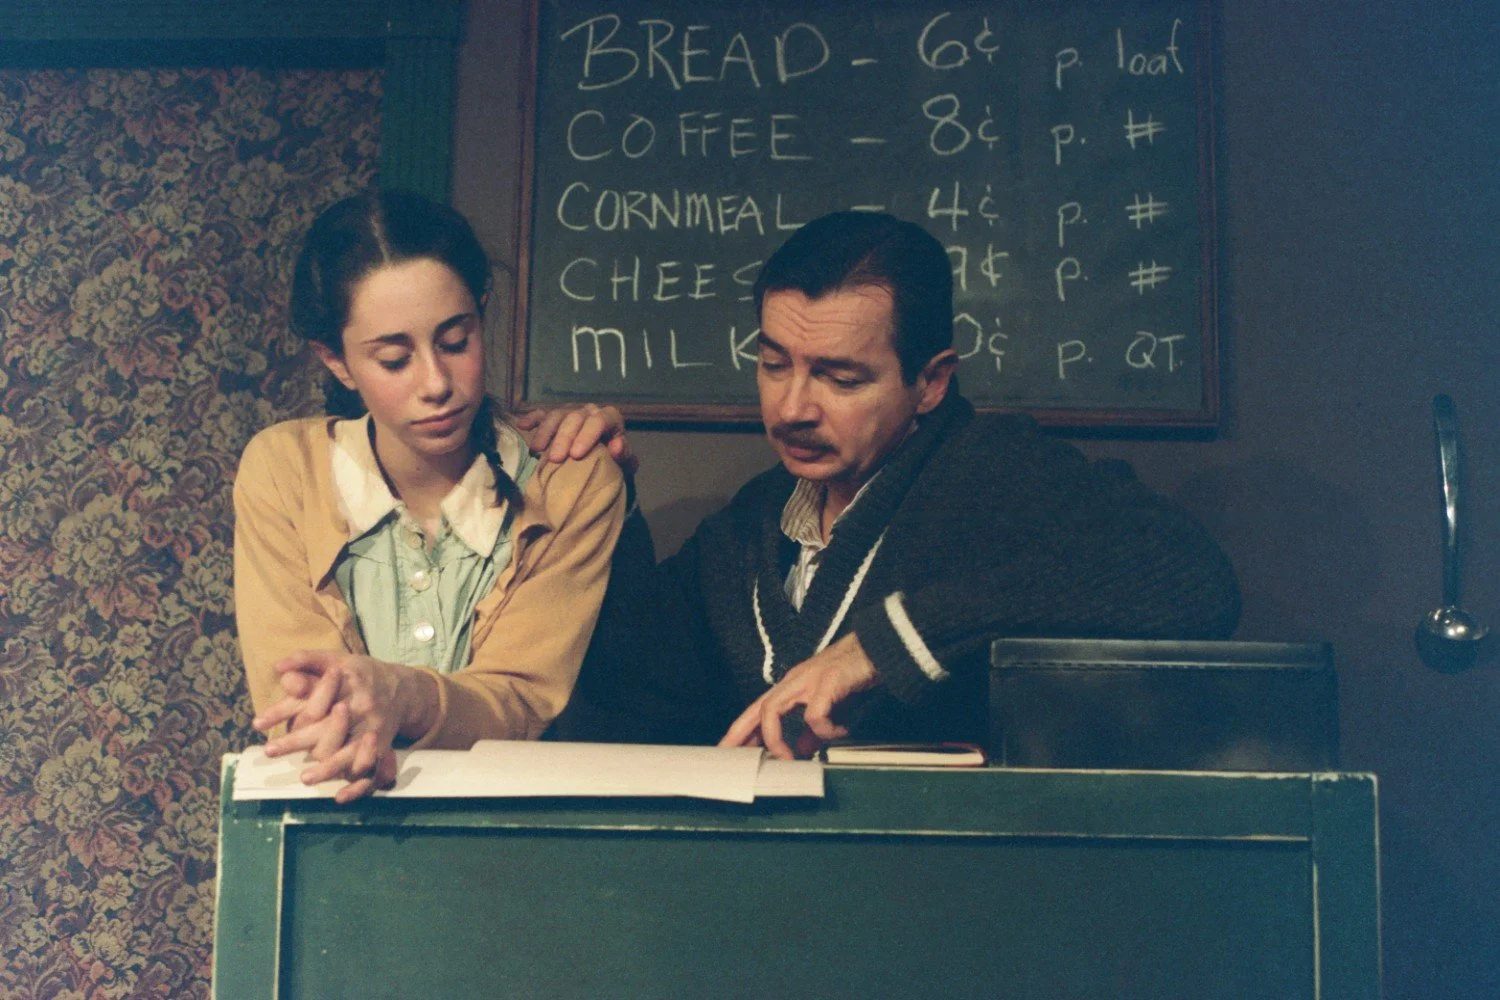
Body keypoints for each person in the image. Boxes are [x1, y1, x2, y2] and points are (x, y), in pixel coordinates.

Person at [535, 210, 1240, 758]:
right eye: (774, 364)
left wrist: (883, 647)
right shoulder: (752, 523)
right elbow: (636, 689)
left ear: (930, 382)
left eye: (841, 378)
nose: (792, 408)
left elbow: (1193, 581)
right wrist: (599, 496)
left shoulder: (994, 471)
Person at [234, 191, 626, 801]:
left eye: (455, 342)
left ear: (483, 314)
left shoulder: (569, 482)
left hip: (512, 838)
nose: (436, 384)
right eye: (394, 360)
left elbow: (521, 699)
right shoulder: (285, 471)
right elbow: (296, 698)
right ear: (336, 362)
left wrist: (401, 696)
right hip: (333, 823)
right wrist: (338, 719)